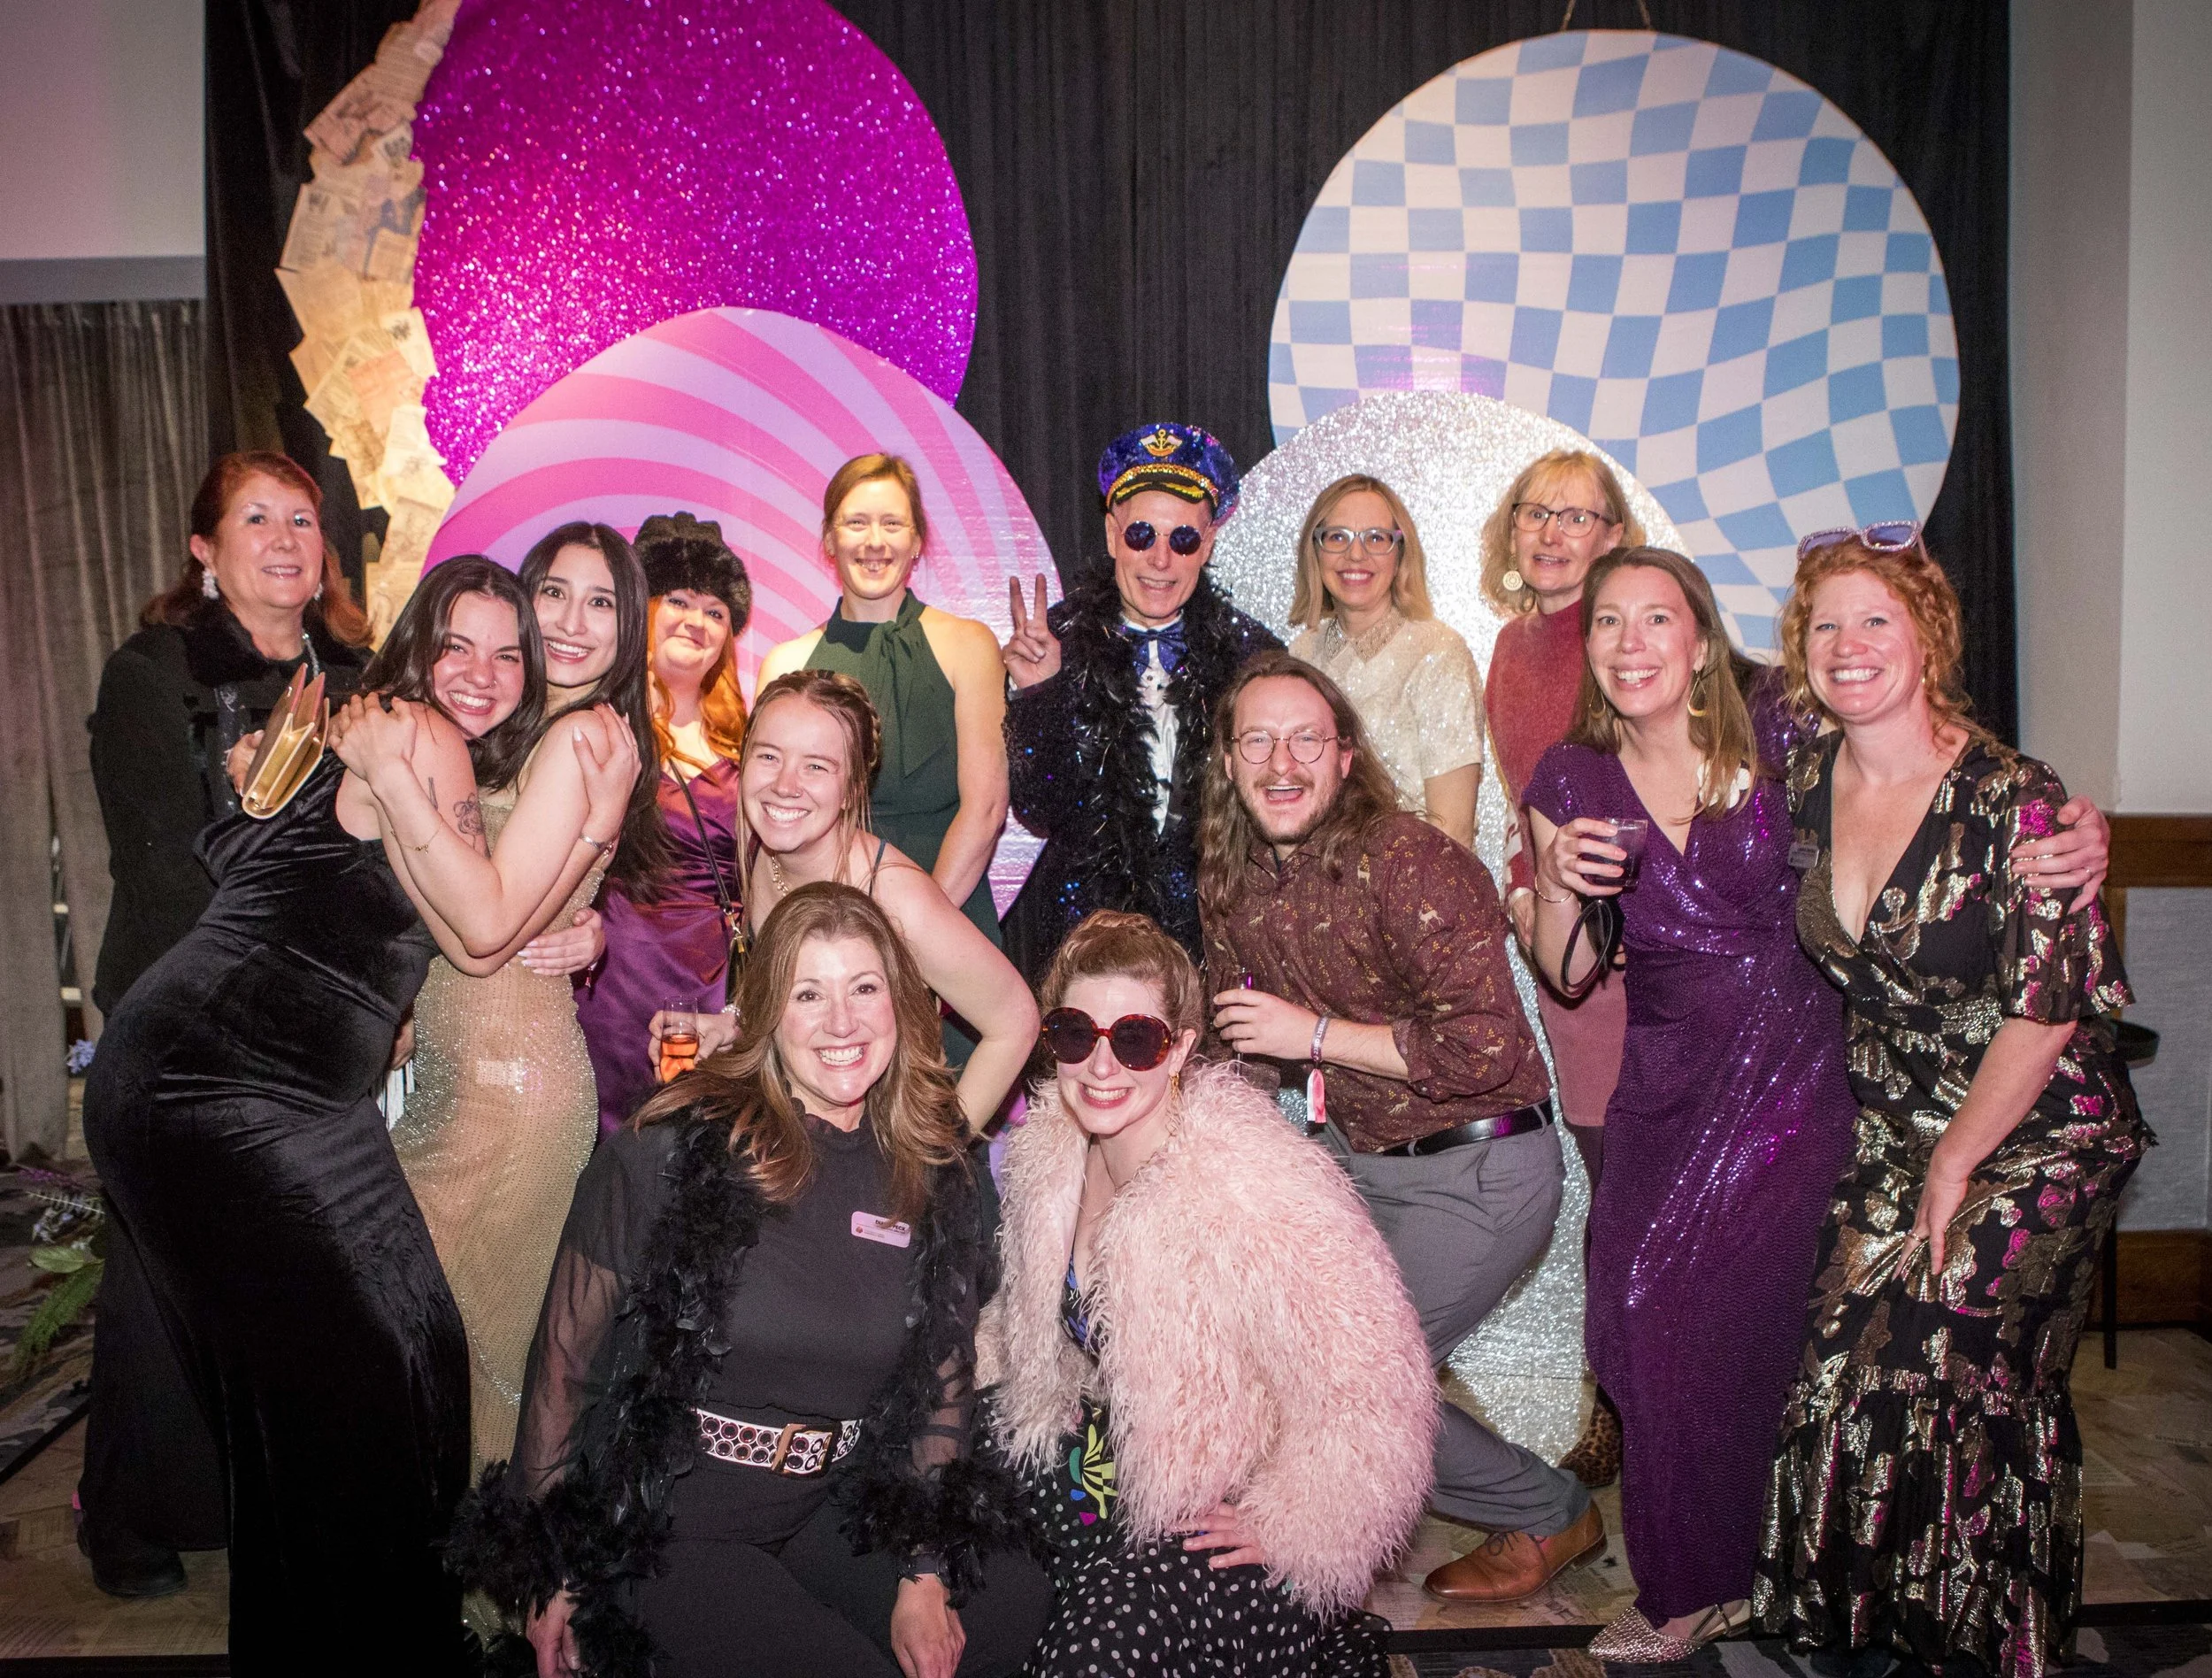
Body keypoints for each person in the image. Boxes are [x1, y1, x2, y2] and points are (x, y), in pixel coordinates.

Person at [81, 558, 640, 1674]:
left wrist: (586, 912)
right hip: (230, 1088)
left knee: (360, 1383)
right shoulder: (405, 732)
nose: (480, 674)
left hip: (253, 1087)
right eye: (458, 646)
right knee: (367, 1388)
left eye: (506, 653)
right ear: (414, 643)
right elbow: (477, 928)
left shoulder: (376, 730)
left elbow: (263, 847)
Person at [452, 883, 1052, 1678]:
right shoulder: (671, 1149)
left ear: (903, 1008)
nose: (842, 1022)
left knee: (1012, 1604)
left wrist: (924, 1569)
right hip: (676, 1519)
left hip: (829, 1499)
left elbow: (944, 1377)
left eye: (864, 988)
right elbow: (566, 1359)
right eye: (810, 993)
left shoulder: (931, 1168)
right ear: (767, 1011)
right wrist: (556, 1562)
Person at [1755, 531, 2147, 1678]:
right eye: (1825, 624)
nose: (1849, 645)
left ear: (1928, 635)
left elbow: (2054, 1004)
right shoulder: (1805, 780)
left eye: (1877, 618)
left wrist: (1956, 1161)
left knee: (1951, 1352)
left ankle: (1982, 1641)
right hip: (1897, 1129)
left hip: (2038, 1129)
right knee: (1836, 1362)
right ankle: (1872, 1629)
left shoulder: (2018, 800)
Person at [1197, 651, 1602, 1605]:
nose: (1280, 761)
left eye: (1306, 738)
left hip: (1483, 1164)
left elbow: (1490, 1052)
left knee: (1355, 1384)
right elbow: (1247, 1047)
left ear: (1345, 758)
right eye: (1256, 739)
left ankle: (1545, 1512)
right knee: (1280, 1356)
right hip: (1359, 1164)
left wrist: (1316, 1037)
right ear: (1225, 762)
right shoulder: (1232, 877)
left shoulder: (1412, 860)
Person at [1521, 548, 1860, 1658]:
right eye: (1609, 623)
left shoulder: (1785, 736)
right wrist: (1560, 885)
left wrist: (2058, 830)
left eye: (1655, 620)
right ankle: (1719, 1563)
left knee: (1758, 1330)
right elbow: (1566, 971)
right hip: (1668, 1075)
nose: (1628, 644)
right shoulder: (1568, 780)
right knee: (1629, 1311)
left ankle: (1713, 1583)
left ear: (1702, 642)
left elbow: (1919, 780)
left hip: (1805, 1065)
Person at [982, 910, 1431, 1675]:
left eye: (1134, 1039)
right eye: (1074, 1034)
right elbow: (1020, 1326)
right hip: (1092, 1478)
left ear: (1183, 1047)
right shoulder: (1045, 1154)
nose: (1101, 1066)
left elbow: (1379, 1387)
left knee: (1094, 1649)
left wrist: (1294, 1524)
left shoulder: (1252, 1185)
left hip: (1210, 1516)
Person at [78, 450, 373, 1597]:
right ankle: (132, 1519)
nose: (288, 539)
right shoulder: (154, 673)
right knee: (159, 1284)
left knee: (291, 1283)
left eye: (303, 519)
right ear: (205, 548)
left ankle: (268, 1501)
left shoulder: (353, 677)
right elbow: (153, 866)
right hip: (182, 1017)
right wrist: (245, 808)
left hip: (312, 1020)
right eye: (258, 518)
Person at [391, 524, 664, 1468]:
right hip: (475, 1071)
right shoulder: (524, 727)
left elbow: (485, 930)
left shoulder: (583, 736)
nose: (574, 623)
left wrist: (390, 781)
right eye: (553, 592)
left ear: (629, 628)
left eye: (602, 603)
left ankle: (479, 1591)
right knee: (447, 1341)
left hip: (507, 1093)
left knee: (469, 1353)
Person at [1479, 449, 1644, 1489]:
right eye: (1535, 512)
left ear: (1614, 538)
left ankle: (1641, 1408)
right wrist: (1522, 887)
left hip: (1637, 947)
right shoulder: (1511, 645)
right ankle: (1622, 1405)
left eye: (1576, 518)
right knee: (1606, 1177)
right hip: (1558, 944)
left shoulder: (1629, 639)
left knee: (1638, 1184)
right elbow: (1527, 800)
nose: (1549, 533)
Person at [666, 672, 1037, 1135]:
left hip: (880, 1152)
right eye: (768, 757)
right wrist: (733, 1023)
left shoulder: (895, 895)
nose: (785, 785)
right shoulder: (764, 852)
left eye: (816, 766)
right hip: (797, 1136)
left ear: (852, 788)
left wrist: (936, 1159)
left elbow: (1016, 1020)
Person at [999, 422, 1280, 981]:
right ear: (1111, 536)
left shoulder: (1256, 658)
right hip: (1086, 944)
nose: (1160, 560)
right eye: (1141, 535)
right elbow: (1038, 809)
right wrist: (1041, 697)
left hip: (1217, 945)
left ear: (1208, 545)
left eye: (1182, 540)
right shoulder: (1054, 643)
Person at [758, 455, 1009, 949]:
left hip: (949, 924)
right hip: (824, 935)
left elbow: (986, 810)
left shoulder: (970, 646)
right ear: (830, 540)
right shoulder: (785, 665)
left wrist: (909, 939)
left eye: (892, 523)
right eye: (856, 523)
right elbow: (765, 829)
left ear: (916, 541)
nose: (874, 541)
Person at [572, 511, 752, 1132]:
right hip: (610, 981)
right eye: (677, 600)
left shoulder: (749, 744)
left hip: (709, 987)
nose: (695, 621)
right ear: (642, 610)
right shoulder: (592, 723)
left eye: (715, 611)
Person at [1285, 474, 1483, 848]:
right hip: (1310, 891)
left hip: (1408, 890)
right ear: (1316, 550)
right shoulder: (1300, 655)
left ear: (1400, 554)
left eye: (1376, 538)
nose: (1355, 555)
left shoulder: (1438, 653)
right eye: (1337, 537)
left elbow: (1453, 832)